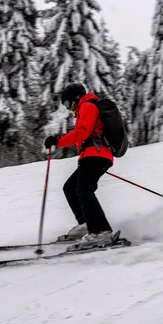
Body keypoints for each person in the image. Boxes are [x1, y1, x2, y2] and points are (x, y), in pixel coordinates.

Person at [44, 83, 114, 249]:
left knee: (84, 190)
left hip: (95, 156)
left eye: (67, 104)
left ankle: (101, 232)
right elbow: (83, 137)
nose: (68, 108)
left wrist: (58, 141)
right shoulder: (84, 109)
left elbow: (82, 132)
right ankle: (85, 224)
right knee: (70, 187)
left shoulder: (88, 106)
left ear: (75, 99)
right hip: (92, 156)